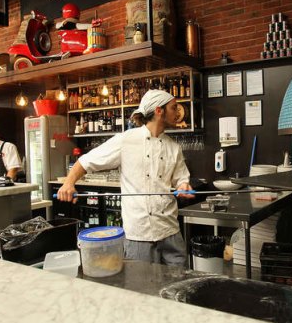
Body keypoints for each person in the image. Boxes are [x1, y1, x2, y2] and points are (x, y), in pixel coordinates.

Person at [58, 89, 194, 266]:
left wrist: (184, 186)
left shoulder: (174, 147)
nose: (178, 112)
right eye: (174, 108)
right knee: (141, 290)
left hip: (171, 231)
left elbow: (181, 179)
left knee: (178, 285)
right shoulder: (126, 140)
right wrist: (68, 183)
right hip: (139, 235)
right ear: (159, 111)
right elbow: (85, 162)